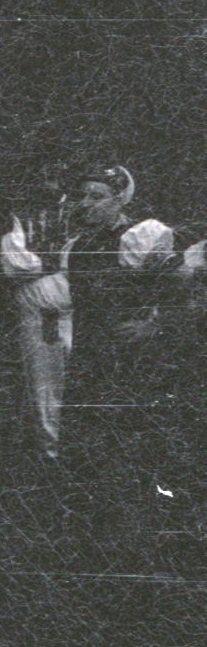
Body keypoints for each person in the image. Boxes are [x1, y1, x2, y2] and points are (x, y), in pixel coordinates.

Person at [59, 164, 204, 564]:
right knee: (91, 449)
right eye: (82, 196)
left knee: (138, 447)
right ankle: (97, 543)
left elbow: (183, 288)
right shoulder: (77, 246)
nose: (86, 204)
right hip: (92, 359)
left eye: (97, 196)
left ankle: (149, 544)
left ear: (120, 199)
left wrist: (155, 324)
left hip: (137, 363)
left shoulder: (143, 237)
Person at [0, 185, 75, 460]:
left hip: (77, 309)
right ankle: (50, 451)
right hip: (41, 314)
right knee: (45, 385)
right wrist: (58, 264)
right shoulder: (21, 215)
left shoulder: (80, 212)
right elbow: (16, 264)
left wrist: (46, 265)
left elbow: (81, 263)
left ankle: (71, 450)